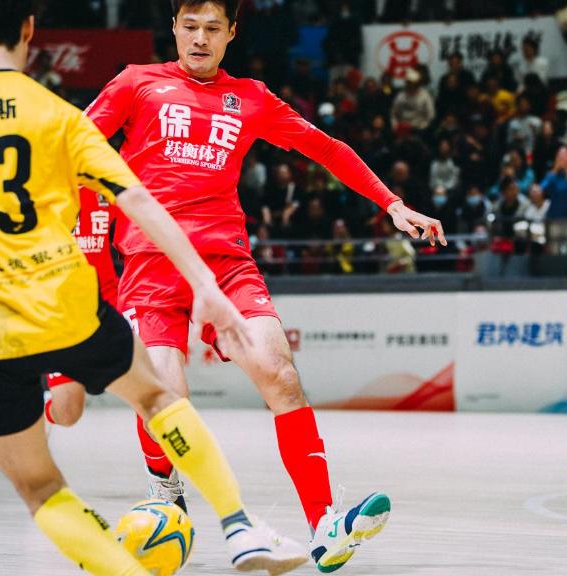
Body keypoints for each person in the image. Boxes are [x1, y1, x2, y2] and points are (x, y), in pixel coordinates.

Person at [0, 1, 309, 574]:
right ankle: (239, 526)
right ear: (29, 29)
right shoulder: (55, 113)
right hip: (62, 300)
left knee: (40, 486)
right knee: (158, 400)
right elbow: (135, 198)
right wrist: (204, 282)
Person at [76, 0, 446, 572]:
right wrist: (86, 246)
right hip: (151, 262)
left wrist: (391, 204)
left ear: (231, 33)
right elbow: (76, 151)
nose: (200, 39)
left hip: (226, 261)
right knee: (165, 397)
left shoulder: (250, 97)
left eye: (212, 28)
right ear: (174, 28)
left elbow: (325, 148)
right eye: (190, 27)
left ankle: (325, 525)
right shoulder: (136, 83)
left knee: (280, 374)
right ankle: (164, 487)